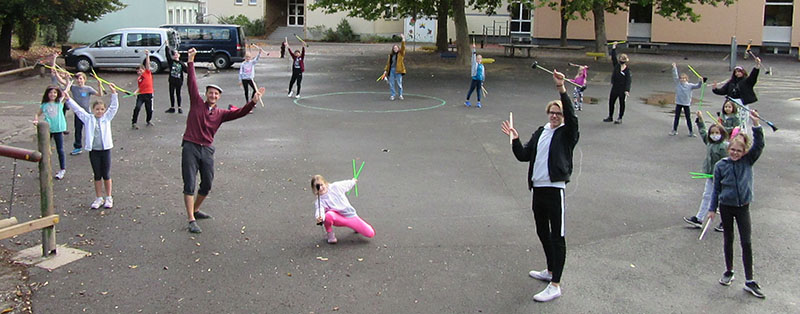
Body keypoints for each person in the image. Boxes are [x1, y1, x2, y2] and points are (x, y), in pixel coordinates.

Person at [500, 69, 579, 302]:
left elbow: (572, 116)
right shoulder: (541, 132)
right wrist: (514, 139)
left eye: (558, 113)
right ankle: (551, 270)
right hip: (538, 190)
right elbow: (524, 155)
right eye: (551, 113)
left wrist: (561, 89)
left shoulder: (567, 133)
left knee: (558, 235)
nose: (554, 116)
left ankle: (556, 285)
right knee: (542, 232)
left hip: (555, 190)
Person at [181, 48, 264, 233]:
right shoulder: (196, 103)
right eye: (210, 93)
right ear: (206, 94)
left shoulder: (220, 114)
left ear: (219, 98)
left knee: (207, 183)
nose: (213, 96)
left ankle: (196, 208)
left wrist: (253, 101)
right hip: (190, 146)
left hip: (207, 149)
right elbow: (191, 82)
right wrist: (191, 61)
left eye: (216, 94)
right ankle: (191, 219)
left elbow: (240, 112)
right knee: (189, 183)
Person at [706, 110, 765, 299]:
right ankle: (729, 271)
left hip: (743, 207)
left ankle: (749, 280)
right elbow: (715, 190)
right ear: (728, 147)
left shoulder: (748, 161)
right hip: (726, 206)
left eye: (739, 151)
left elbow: (759, 145)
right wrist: (711, 209)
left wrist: (756, 125)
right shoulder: (721, 166)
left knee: (746, 242)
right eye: (732, 149)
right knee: (728, 239)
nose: (735, 153)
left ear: (744, 152)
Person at [64, 81, 119, 209]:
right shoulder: (88, 118)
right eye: (97, 109)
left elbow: (114, 107)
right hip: (94, 150)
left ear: (104, 110)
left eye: (101, 109)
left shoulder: (107, 118)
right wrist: (69, 99)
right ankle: (99, 197)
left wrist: (114, 93)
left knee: (106, 174)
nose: (99, 111)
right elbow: (78, 110)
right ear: (92, 110)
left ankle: (109, 197)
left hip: (105, 150)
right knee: (97, 174)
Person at [682, 111, 728, 228]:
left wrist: (723, 175)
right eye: (712, 133)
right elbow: (703, 132)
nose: (714, 135)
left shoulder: (723, 147)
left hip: (721, 178)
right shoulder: (710, 143)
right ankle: (699, 218)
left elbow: (726, 163)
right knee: (707, 196)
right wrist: (700, 120)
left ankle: (725, 222)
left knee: (722, 200)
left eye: (717, 133)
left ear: (721, 134)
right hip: (710, 176)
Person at [52, 54, 103, 155]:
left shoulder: (88, 89)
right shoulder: (74, 88)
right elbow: (61, 81)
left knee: (91, 129)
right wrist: (61, 74)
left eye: (81, 79)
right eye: (78, 79)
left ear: (84, 80)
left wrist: (99, 85)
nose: (79, 81)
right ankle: (78, 147)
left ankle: (94, 145)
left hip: (87, 113)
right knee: (78, 131)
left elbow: (100, 94)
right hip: (78, 113)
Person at [311, 175, 376, 244]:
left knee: (370, 233)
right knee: (328, 215)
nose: (320, 188)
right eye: (317, 186)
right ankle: (330, 235)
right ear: (314, 189)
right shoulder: (319, 200)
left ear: (325, 183)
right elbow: (319, 210)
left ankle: (355, 226)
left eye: (321, 185)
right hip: (338, 219)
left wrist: (352, 181)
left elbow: (345, 184)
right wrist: (319, 217)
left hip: (349, 215)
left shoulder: (335, 187)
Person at [712, 57, 760, 134]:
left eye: (739, 72)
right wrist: (715, 89)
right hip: (731, 104)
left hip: (741, 104)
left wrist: (757, 65)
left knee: (741, 122)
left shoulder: (747, 81)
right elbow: (723, 91)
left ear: (743, 72)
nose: (737, 73)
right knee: (730, 120)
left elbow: (753, 76)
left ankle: (742, 136)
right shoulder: (731, 82)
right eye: (736, 72)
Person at [34, 85, 70, 180]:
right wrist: (36, 120)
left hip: (58, 129)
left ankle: (62, 169)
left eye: (54, 92)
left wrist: (67, 80)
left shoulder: (59, 103)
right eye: (50, 92)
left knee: (60, 149)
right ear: (47, 94)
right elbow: (37, 114)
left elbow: (67, 90)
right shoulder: (44, 105)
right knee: (45, 150)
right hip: (47, 130)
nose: (52, 94)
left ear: (57, 94)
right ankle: (44, 170)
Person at [669, 63, 704, 137]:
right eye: (681, 78)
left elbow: (698, 86)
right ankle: (674, 130)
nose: (682, 79)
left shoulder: (690, 85)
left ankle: (691, 132)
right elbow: (675, 76)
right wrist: (674, 68)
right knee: (676, 117)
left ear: (687, 79)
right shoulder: (678, 84)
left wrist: (700, 81)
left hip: (686, 104)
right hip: (679, 103)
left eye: (684, 78)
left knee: (688, 118)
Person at [604, 42, 631, 124]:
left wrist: (627, 90)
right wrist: (614, 48)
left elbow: (628, 81)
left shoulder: (627, 71)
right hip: (615, 87)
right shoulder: (616, 66)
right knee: (611, 101)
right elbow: (613, 58)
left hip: (622, 89)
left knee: (621, 103)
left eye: (623, 60)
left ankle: (620, 117)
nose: (621, 61)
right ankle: (610, 116)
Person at [132, 50, 155, 129]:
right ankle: (134, 122)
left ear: (144, 69)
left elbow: (147, 64)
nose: (139, 72)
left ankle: (148, 120)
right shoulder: (139, 79)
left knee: (149, 110)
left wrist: (147, 55)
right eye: (138, 71)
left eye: (140, 70)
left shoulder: (147, 73)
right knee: (137, 107)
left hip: (149, 94)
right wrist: (135, 92)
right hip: (141, 95)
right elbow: (139, 87)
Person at [383, 34, 406, 101]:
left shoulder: (401, 54)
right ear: (393, 49)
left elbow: (403, 47)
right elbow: (388, 64)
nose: (395, 49)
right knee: (391, 83)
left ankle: (400, 94)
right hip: (392, 70)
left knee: (399, 83)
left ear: (398, 48)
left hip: (398, 70)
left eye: (396, 48)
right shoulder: (390, 55)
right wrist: (385, 70)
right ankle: (393, 95)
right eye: (394, 48)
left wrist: (403, 39)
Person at [165, 46, 187, 114]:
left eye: (177, 54)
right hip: (172, 80)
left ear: (179, 55)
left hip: (179, 81)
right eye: (174, 54)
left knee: (178, 94)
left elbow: (187, 70)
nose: (176, 55)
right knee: (171, 94)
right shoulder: (171, 62)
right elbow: (167, 55)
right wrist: (167, 46)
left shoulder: (181, 63)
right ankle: (172, 107)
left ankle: (179, 107)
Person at [465, 43, 485, 108]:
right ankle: (467, 101)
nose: (478, 60)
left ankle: (478, 102)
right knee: (471, 90)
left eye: (480, 59)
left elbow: (483, 74)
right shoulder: (474, 64)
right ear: (476, 60)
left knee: (478, 91)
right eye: (477, 59)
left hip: (479, 80)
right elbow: (473, 56)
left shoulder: (482, 66)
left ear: (481, 60)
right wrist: (474, 49)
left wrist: (482, 81)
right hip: (474, 79)